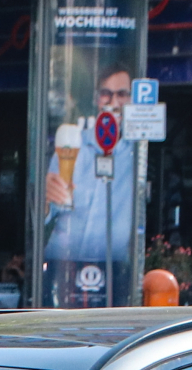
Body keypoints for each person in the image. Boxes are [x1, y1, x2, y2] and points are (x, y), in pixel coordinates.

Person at [41, 67, 137, 305]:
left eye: (122, 94)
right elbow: (44, 217)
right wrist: (44, 198)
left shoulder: (138, 153)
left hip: (115, 269)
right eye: (106, 93)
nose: (113, 101)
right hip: (63, 266)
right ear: (96, 99)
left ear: (131, 100)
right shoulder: (72, 146)